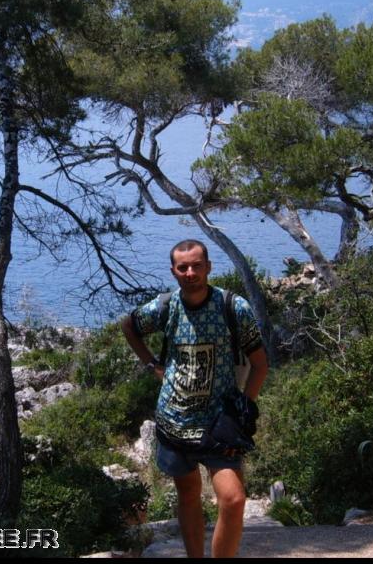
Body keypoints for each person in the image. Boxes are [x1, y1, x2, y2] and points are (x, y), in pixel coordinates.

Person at [121, 239, 269, 558]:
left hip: (220, 425)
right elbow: (129, 326)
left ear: (208, 267)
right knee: (188, 495)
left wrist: (243, 409)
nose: (190, 273)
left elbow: (260, 364)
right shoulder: (166, 307)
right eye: (183, 267)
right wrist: (152, 365)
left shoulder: (233, 307)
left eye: (196, 265)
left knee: (233, 499)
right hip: (174, 420)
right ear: (174, 271)